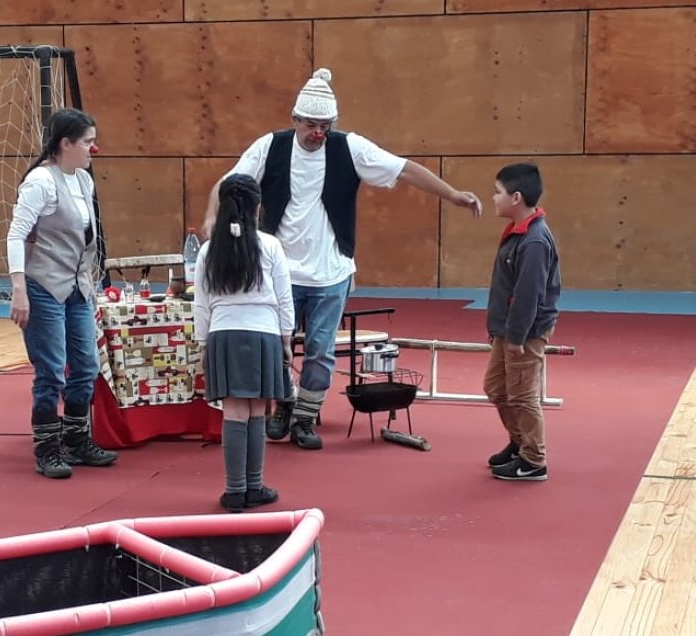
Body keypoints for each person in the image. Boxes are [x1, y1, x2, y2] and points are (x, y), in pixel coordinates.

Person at [204, 68, 483, 451]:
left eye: (325, 126)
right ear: (295, 119)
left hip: (331, 272)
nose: (318, 133)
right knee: (276, 346)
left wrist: (453, 195)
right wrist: (211, 217)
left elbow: (403, 169)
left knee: (320, 350)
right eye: (311, 125)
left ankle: (304, 418)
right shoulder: (270, 146)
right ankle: (283, 404)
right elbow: (228, 183)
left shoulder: (349, 148)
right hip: (280, 269)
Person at [6, 107, 117, 479]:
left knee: (86, 365)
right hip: (43, 286)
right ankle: (47, 448)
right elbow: (16, 234)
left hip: (78, 286)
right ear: (65, 143)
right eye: (87, 142)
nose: (93, 149)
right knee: (52, 371)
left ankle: (76, 439)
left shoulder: (83, 181)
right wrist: (19, 289)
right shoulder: (40, 181)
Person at [194, 173, 295, 512]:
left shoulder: (208, 250)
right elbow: (284, 297)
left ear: (221, 207)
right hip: (264, 334)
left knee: (234, 411)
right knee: (257, 409)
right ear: (258, 208)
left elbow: (201, 302)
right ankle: (255, 485)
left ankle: (234, 490)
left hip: (224, 334)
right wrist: (287, 338)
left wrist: (203, 344)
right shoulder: (271, 245)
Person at [483, 162, 561, 481]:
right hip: (507, 329)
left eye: (497, 192)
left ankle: (533, 459)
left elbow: (528, 295)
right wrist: (498, 329)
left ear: (516, 198)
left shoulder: (534, 241)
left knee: (522, 395)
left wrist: (515, 337)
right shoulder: (519, 233)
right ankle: (519, 442)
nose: (493, 197)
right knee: (496, 388)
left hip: (524, 333)